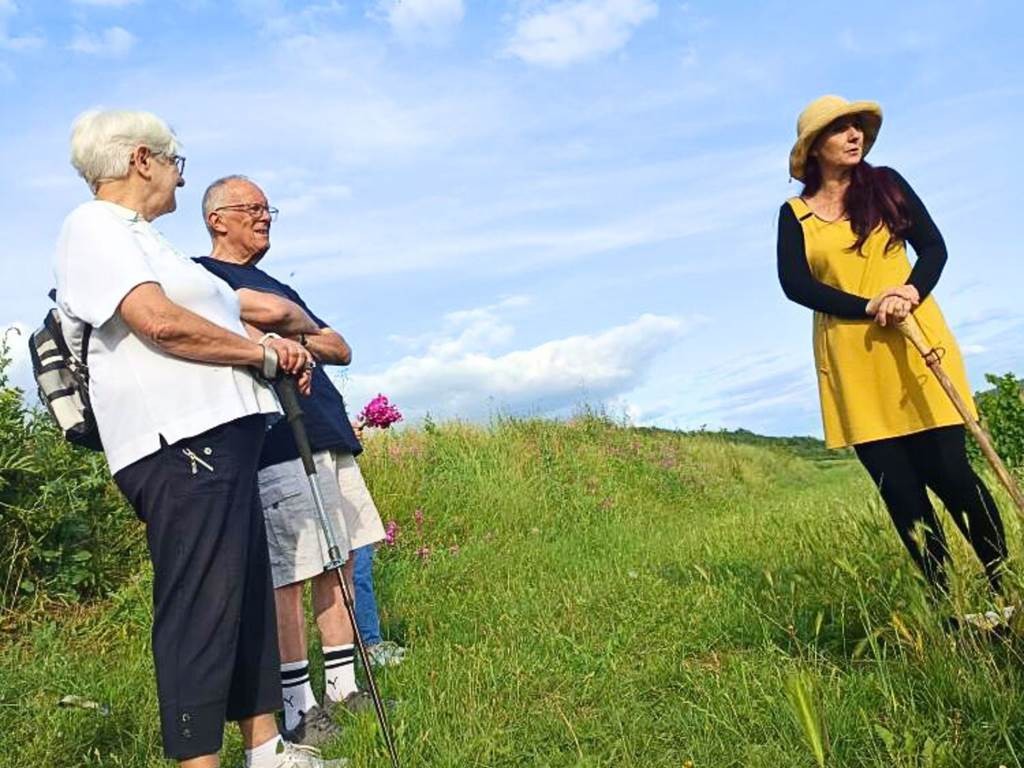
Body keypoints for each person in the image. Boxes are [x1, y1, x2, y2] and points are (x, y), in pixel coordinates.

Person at [54, 111, 341, 768]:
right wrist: (261, 355)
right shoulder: (92, 226)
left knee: (242, 595)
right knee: (202, 604)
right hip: (176, 441)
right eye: (176, 159)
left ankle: (265, 746)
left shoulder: (149, 239)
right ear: (140, 160)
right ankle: (198, 761)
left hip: (225, 434)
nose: (182, 174)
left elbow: (212, 316)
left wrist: (268, 342)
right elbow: (157, 323)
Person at [776, 95, 1009, 599]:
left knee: (952, 474)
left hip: (917, 345)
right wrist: (867, 305)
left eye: (857, 127)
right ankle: (952, 610)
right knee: (902, 494)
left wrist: (909, 291)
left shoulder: (886, 185)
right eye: (839, 129)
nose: (854, 135)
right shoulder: (794, 215)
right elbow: (796, 285)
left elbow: (933, 247)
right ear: (814, 147)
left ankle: (1004, 591)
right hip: (853, 362)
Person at [195, 175, 387, 746]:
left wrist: (289, 323)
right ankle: (298, 706)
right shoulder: (204, 278)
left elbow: (340, 347)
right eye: (251, 209)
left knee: (342, 561)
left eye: (267, 208)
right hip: (277, 439)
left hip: (329, 430)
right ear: (216, 218)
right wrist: (287, 328)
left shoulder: (276, 285)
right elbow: (241, 330)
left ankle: (344, 687)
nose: (264, 217)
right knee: (291, 573)